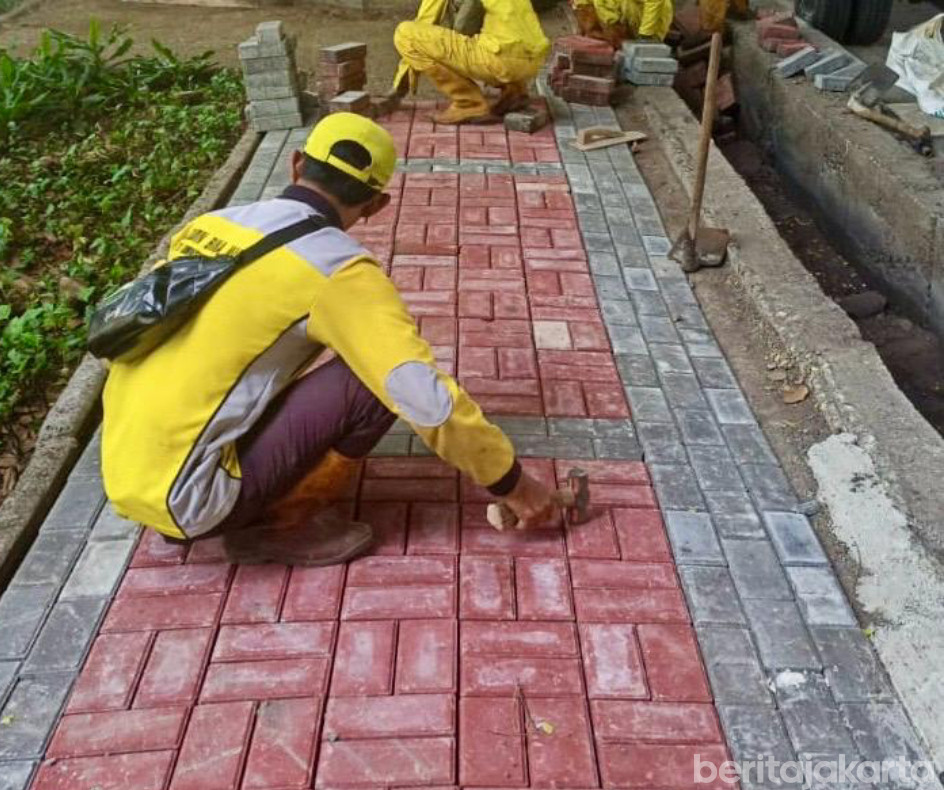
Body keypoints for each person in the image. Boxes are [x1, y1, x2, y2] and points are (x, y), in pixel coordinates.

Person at [101, 113, 560, 566]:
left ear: (297, 163)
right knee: (374, 382)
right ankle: (280, 525)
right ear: (378, 205)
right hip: (193, 497)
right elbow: (424, 398)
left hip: (127, 471)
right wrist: (513, 484)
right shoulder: (338, 270)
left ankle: (223, 486)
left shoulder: (213, 225)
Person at [392, 0, 551, 125]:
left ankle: (468, 103)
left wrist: (399, 88)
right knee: (501, 32)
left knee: (405, 33)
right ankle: (515, 92)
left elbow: (436, 23)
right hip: (533, 60)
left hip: (500, 61)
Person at [572, 0, 674, 46]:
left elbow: (655, 2)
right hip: (620, 19)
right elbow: (582, 6)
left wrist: (645, 34)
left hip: (650, 20)